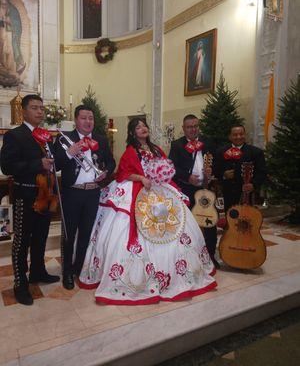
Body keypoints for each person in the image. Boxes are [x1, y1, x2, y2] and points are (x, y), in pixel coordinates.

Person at [78, 117, 216, 304]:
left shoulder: (157, 149)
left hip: (161, 191)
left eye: (144, 125)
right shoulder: (130, 151)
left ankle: (177, 274)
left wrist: (164, 174)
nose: (142, 128)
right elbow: (123, 173)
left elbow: (168, 167)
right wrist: (141, 178)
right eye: (138, 127)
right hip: (139, 192)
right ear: (132, 133)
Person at [0, 94, 60, 306]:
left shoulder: (45, 136)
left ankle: (38, 271)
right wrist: (38, 163)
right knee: (21, 241)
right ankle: (20, 283)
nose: (39, 111)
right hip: (25, 196)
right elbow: (7, 167)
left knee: (40, 237)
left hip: (46, 195)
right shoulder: (14, 135)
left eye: (41, 108)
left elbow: (52, 163)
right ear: (24, 111)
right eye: (34, 108)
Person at [54, 105, 116, 290]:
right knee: (69, 235)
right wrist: (69, 153)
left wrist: (105, 172)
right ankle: (66, 272)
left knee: (86, 234)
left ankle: (78, 268)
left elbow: (111, 162)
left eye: (91, 118)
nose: (88, 121)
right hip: (72, 192)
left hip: (93, 192)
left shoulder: (101, 140)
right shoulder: (64, 139)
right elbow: (55, 165)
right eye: (84, 118)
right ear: (75, 120)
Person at [169, 114, 219, 268]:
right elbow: (172, 167)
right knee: (188, 225)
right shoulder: (177, 145)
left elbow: (217, 160)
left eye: (195, 126)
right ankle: (189, 256)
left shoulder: (207, 142)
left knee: (210, 222)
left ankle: (210, 255)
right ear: (183, 128)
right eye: (189, 127)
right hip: (187, 190)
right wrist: (187, 177)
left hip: (205, 189)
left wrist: (212, 170)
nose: (193, 129)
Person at [214, 125, 267, 212]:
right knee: (231, 218)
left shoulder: (256, 152)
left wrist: (253, 184)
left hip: (248, 194)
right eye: (235, 135)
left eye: (241, 134)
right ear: (230, 137)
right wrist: (224, 174)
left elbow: (262, 173)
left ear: (245, 135)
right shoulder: (221, 151)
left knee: (248, 221)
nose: (238, 137)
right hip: (228, 193)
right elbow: (215, 170)